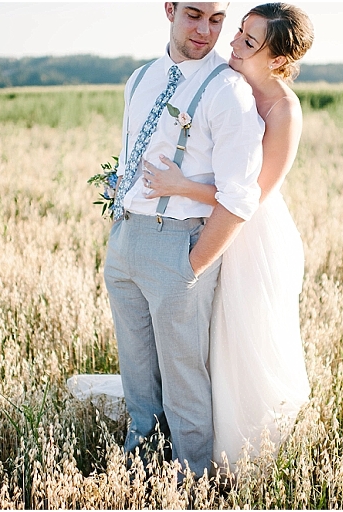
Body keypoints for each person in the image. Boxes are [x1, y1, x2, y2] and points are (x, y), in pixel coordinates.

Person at [142, 2, 315, 471]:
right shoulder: (227, 82)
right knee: (206, 341)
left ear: (278, 59)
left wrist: (182, 186)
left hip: (252, 237)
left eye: (249, 42)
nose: (233, 42)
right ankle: (197, 443)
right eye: (239, 32)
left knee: (243, 343)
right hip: (211, 221)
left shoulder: (283, 109)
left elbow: (255, 197)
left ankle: (246, 459)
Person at [103, 2, 265, 480]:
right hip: (125, 240)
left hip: (180, 245)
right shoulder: (139, 78)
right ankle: (141, 468)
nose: (205, 30)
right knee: (137, 372)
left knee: (184, 379)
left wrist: (192, 264)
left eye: (216, 20)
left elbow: (239, 197)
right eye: (194, 15)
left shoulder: (229, 90)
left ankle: (192, 483)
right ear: (169, 9)